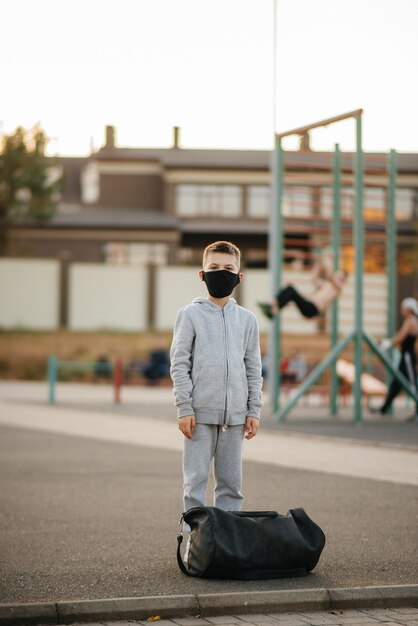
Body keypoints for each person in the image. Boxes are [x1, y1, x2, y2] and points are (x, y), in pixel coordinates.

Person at [170, 240, 263, 527]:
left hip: (235, 418)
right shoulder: (189, 315)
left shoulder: (248, 320)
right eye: (213, 268)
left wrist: (253, 410)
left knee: (231, 486)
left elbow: (253, 368)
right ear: (202, 274)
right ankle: (195, 542)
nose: (220, 272)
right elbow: (179, 363)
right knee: (194, 484)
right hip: (198, 416)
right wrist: (184, 407)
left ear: (239, 276)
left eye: (228, 268)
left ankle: (227, 542)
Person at [258, 257, 348, 320]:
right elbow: (314, 278)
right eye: (338, 274)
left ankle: (273, 306)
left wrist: (328, 263)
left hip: (312, 309)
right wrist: (317, 265)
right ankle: (274, 308)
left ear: (343, 280)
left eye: (340, 276)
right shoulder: (328, 284)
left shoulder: (338, 289)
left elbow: (331, 277)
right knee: (290, 292)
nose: (337, 277)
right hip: (310, 306)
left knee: (291, 290)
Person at [373, 297, 418, 421]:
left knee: (413, 384)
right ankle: (384, 408)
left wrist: (387, 343)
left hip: (408, 357)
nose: (401, 310)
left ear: (409, 309)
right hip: (405, 355)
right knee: (396, 383)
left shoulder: (411, 320)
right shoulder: (410, 320)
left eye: (403, 308)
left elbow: (401, 337)